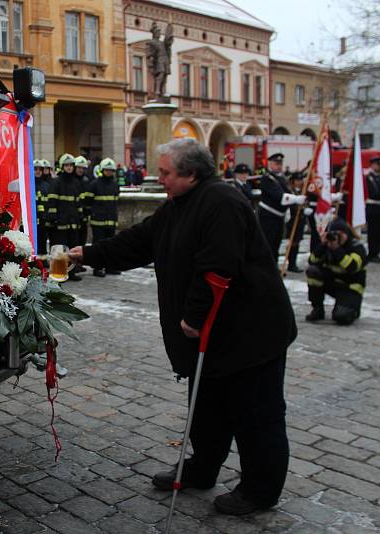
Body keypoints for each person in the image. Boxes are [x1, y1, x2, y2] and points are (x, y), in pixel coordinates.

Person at [69, 139, 296, 516]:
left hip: (250, 335)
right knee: (206, 408)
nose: (160, 180)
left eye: (166, 173)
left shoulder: (222, 202)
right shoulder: (179, 204)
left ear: (191, 174)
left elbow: (218, 266)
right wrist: (89, 253)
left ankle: (260, 489)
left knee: (256, 415)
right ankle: (202, 468)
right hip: (213, 338)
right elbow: (140, 241)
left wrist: (194, 317)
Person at [305, 219, 367, 325]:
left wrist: (336, 249)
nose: (337, 237)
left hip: (350, 287)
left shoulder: (356, 247)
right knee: (312, 271)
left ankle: (352, 308)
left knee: (341, 317)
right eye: (334, 233)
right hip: (333, 283)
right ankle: (318, 309)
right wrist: (322, 245)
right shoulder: (327, 245)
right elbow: (312, 261)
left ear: (347, 233)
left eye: (340, 234)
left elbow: (352, 267)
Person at [259, 153, 305, 262]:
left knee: (276, 244)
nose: (279, 166)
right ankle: (267, 267)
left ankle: (273, 267)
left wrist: (299, 202)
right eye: (276, 163)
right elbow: (279, 196)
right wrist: (295, 199)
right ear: (270, 164)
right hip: (268, 217)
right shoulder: (267, 178)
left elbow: (289, 191)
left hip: (279, 216)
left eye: (280, 163)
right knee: (268, 244)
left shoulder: (282, 178)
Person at [47, 153, 84, 280]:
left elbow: (78, 201)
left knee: (73, 248)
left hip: (73, 222)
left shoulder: (76, 183)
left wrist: (80, 215)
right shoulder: (56, 182)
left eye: (71, 165)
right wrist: (53, 217)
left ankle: (72, 273)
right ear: (62, 167)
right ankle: (59, 273)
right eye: (66, 165)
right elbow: (52, 201)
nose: (69, 168)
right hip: (60, 222)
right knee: (59, 249)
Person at [83, 157, 121, 277]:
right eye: (107, 170)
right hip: (98, 221)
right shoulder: (94, 184)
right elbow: (87, 202)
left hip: (111, 221)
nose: (109, 172)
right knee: (98, 245)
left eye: (111, 170)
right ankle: (97, 268)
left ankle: (110, 267)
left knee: (111, 245)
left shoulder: (115, 185)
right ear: (102, 170)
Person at [365, 155, 380, 262]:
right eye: (378, 164)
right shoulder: (369, 177)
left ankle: (377, 253)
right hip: (373, 207)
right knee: (373, 232)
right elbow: (374, 193)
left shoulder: (379, 177)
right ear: (373, 164)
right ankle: (372, 253)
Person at [286, 172, 308, 273]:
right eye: (297, 180)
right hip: (293, 220)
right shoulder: (291, 191)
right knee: (293, 242)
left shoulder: (302, 191)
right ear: (293, 181)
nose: (299, 182)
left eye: (301, 180)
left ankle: (293, 262)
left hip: (300, 220)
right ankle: (291, 264)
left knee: (297, 241)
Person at [33, 160, 51, 255]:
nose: (38, 171)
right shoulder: (28, 184)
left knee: (42, 241)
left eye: (40, 169)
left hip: (44, 220)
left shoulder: (47, 185)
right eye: (35, 169)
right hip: (31, 220)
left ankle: (43, 261)